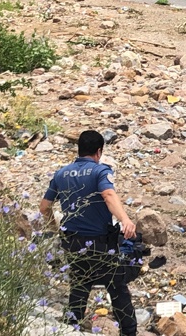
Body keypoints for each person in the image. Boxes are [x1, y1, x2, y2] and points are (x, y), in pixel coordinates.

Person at [39, 130, 137, 336]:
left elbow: (44, 207)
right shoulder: (100, 171)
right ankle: (129, 333)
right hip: (99, 243)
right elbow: (108, 194)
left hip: (72, 242)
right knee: (117, 287)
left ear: (79, 149)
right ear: (99, 151)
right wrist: (125, 219)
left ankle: (69, 330)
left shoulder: (61, 174)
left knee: (79, 287)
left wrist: (54, 229)